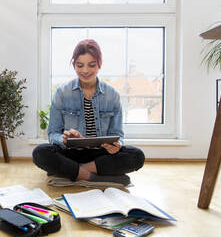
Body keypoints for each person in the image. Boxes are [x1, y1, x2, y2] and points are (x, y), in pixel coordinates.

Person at [32, 39, 145, 185]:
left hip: (99, 155)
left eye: (91, 65)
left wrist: (116, 145)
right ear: (74, 65)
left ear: (99, 64)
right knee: (40, 152)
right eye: (80, 65)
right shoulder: (62, 93)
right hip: (70, 153)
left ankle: (74, 172)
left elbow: (118, 134)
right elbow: (53, 133)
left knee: (137, 156)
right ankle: (95, 178)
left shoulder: (112, 95)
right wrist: (64, 139)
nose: (85, 70)